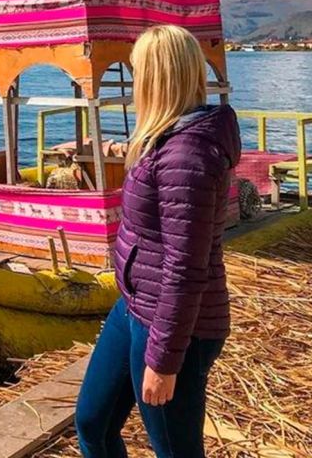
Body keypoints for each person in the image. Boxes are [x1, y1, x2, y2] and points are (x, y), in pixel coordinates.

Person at [75, 25, 241, 458]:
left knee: (175, 450)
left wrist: (165, 361)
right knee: (93, 423)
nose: (132, 85)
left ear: (157, 78)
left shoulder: (188, 156)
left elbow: (187, 267)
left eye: (136, 74)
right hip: (135, 305)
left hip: (175, 326)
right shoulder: (164, 139)